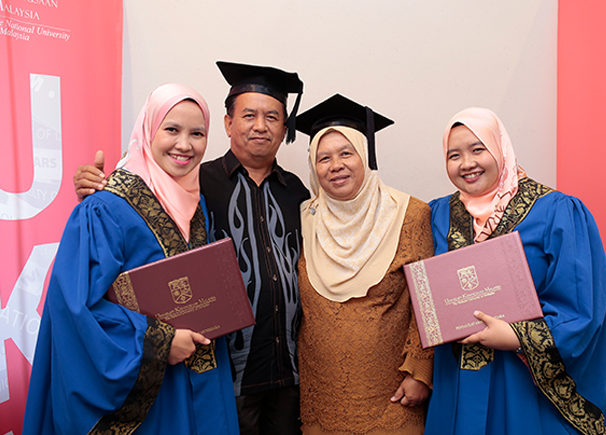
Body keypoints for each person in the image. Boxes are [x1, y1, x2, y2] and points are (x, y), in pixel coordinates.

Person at [72, 62, 309, 435]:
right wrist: (95, 187)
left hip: (288, 368)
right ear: (228, 124)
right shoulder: (193, 182)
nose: (260, 126)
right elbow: (138, 199)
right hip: (222, 368)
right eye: (249, 115)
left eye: (272, 117)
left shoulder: (298, 192)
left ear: (284, 128)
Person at [23, 83, 241, 434]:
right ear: (148, 130)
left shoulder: (195, 201)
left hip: (203, 378)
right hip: (150, 391)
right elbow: (75, 309)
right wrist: (160, 342)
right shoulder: (104, 207)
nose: (185, 144)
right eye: (171, 129)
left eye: (197, 133)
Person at [425, 107, 606, 435]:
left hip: (523, 385)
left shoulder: (556, 211)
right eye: (454, 155)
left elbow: (582, 308)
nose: (466, 163)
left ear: (500, 148)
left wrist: (517, 337)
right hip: (455, 379)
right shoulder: (435, 215)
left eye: (478, 149)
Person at [295, 94, 434, 435]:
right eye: (323, 158)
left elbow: (427, 300)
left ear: (366, 156)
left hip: (393, 396)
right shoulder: (304, 218)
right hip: (321, 397)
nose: (335, 165)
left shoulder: (410, 214)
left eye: (346, 153)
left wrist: (420, 371)